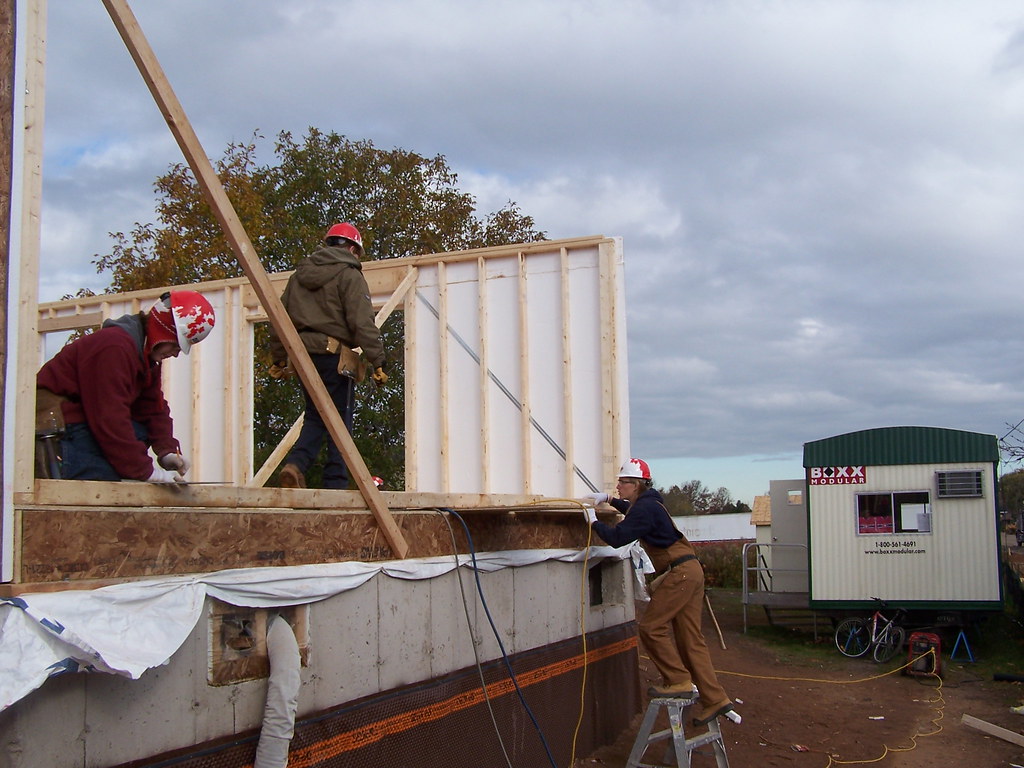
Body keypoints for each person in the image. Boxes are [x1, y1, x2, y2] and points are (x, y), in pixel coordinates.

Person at [582, 457, 735, 727]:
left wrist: (593, 521)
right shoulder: (651, 503)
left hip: (679, 574)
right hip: (690, 570)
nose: (618, 486)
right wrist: (608, 499)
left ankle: (678, 681)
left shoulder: (644, 509)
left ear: (636, 484)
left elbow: (618, 538)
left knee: (652, 627)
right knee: (690, 639)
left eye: (622, 482)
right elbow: (632, 510)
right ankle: (715, 698)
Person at [35, 290, 216, 482]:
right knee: (109, 480)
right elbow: (109, 417)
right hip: (58, 426)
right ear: (163, 330)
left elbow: (153, 408)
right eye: (176, 345)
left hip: (83, 423)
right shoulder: (114, 348)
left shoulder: (146, 355)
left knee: (137, 436)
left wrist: (167, 450)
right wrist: (146, 473)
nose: (176, 353)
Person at [268, 223, 387, 489]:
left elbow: (278, 318)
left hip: (301, 356)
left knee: (315, 415)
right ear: (353, 249)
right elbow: (361, 321)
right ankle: (335, 482)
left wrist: (278, 357)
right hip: (332, 356)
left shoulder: (299, 276)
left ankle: (296, 465)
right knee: (340, 419)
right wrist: (378, 360)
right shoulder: (349, 274)